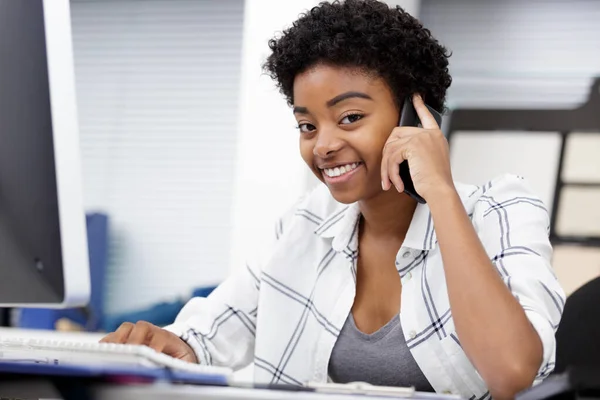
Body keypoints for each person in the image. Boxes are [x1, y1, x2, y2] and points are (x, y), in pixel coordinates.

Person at [101, 1, 565, 398]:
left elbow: (511, 374)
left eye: (349, 117)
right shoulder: (304, 227)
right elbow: (211, 332)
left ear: (414, 114)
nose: (322, 145)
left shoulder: (501, 210)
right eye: (307, 125)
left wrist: (440, 192)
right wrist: (174, 345)